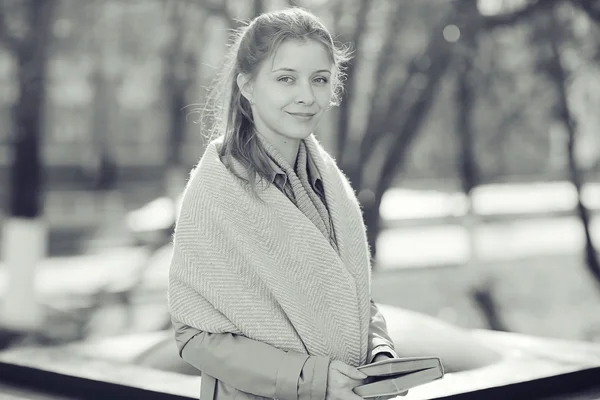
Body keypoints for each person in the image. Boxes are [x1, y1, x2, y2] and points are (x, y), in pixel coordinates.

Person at [168, 7, 405, 400]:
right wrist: (311, 379)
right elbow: (194, 334)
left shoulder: (331, 184)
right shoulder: (216, 188)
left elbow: (351, 299)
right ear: (247, 86)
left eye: (320, 80)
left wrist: (380, 353)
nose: (306, 97)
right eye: (285, 79)